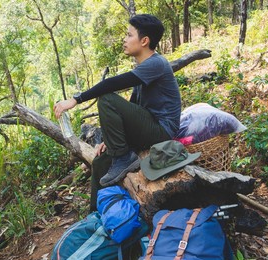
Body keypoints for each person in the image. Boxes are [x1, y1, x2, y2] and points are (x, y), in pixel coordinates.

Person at [54, 14, 181, 212]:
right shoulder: (143, 66)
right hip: (147, 126)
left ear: (144, 41)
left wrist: (75, 100)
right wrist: (110, 139)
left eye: (129, 35)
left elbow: (110, 84)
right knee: (101, 161)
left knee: (107, 98)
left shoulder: (156, 63)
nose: (124, 39)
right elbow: (133, 105)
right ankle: (96, 215)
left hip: (161, 130)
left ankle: (123, 158)